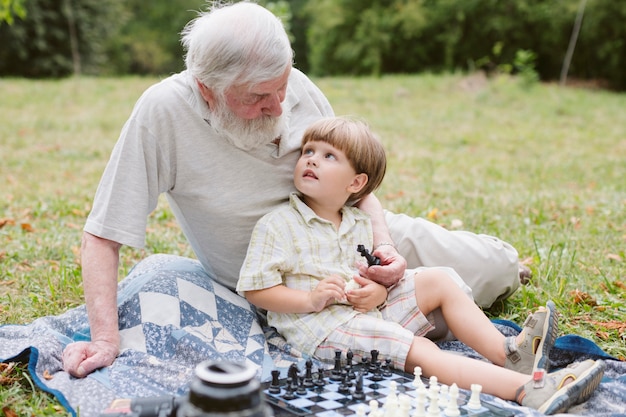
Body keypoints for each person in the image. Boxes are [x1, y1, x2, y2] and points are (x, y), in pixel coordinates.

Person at [62, 1, 522, 378]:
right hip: (292, 281)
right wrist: (104, 339)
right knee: (434, 327)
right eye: (258, 98)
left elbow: (356, 185)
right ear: (208, 90)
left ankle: (500, 272)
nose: (278, 104)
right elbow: (103, 234)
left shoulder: (294, 85)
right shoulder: (162, 113)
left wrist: (384, 249)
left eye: (281, 87)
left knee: (496, 270)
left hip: (355, 242)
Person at [236, 116, 605, 414]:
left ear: (357, 182)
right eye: (308, 151)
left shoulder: (358, 222)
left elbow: (372, 277)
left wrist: (378, 289)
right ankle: (528, 390)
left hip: (366, 312)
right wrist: (311, 300)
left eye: (328, 156)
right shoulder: (279, 224)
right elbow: (255, 288)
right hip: (322, 328)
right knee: (423, 350)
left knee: (440, 279)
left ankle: (510, 353)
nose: (311, 159)